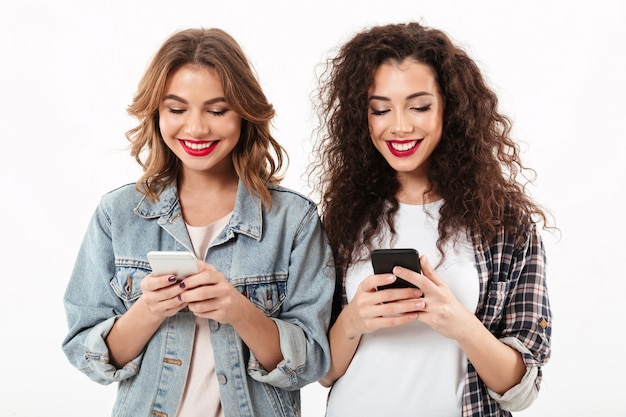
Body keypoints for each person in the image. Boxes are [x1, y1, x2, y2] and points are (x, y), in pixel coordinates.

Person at [62, 28, 334, 417]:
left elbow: (310, 362)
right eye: (177, 110)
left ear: (244, 113)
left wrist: (238, 310)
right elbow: (89, 356)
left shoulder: (293, 220)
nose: (196, 129)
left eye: (217, 110)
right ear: (156, 114)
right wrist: (149, 309)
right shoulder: (117, 214)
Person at [309, 22, 553, 417]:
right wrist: (354, 319)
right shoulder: (346, 216)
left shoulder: (505, 223)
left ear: (449, 109)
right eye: (380, 109)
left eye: (420, 106)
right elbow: (324, 372)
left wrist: (458, 322)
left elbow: (521, 392)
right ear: (363, 118)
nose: (400, 125)